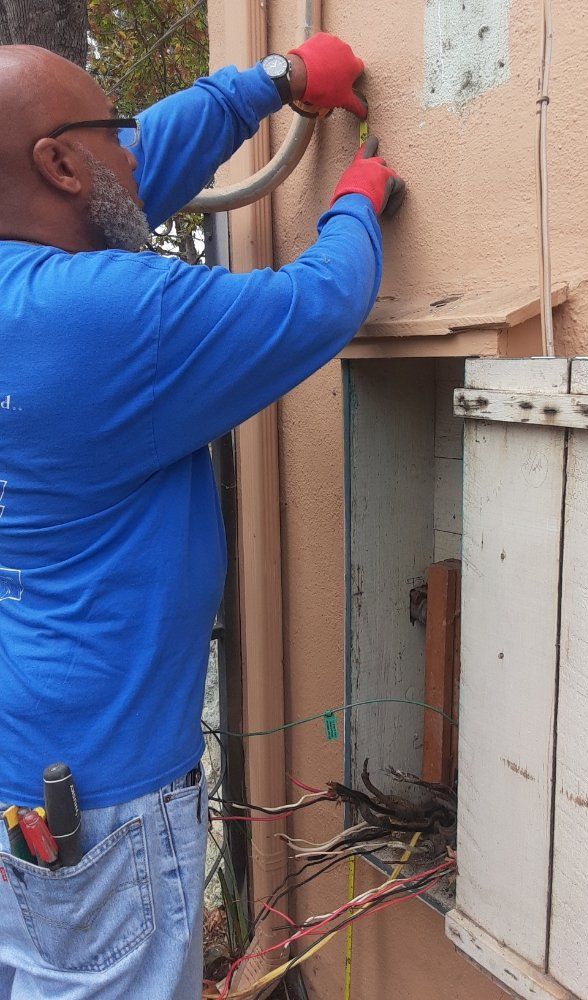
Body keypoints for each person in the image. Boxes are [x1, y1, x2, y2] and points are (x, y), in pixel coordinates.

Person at [0, 33, 404, 1000]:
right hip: (105, 798)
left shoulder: (37, 278)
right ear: (58, 161)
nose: (140, 150)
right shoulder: (91, 322)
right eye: (117, 133)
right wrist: (360, 199)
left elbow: (111, 184)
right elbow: (315, 304)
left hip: (32, 756)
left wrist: (269, 84)